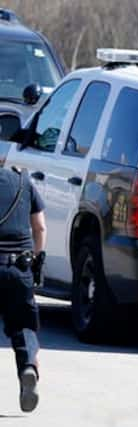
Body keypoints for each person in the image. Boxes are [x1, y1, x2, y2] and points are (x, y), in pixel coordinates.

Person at [0, 165, 46, 413]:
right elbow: (39, 227)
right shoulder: (22, 181)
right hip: (19, 267)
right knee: (23, 326)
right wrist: (37, 261)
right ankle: (28, 366)